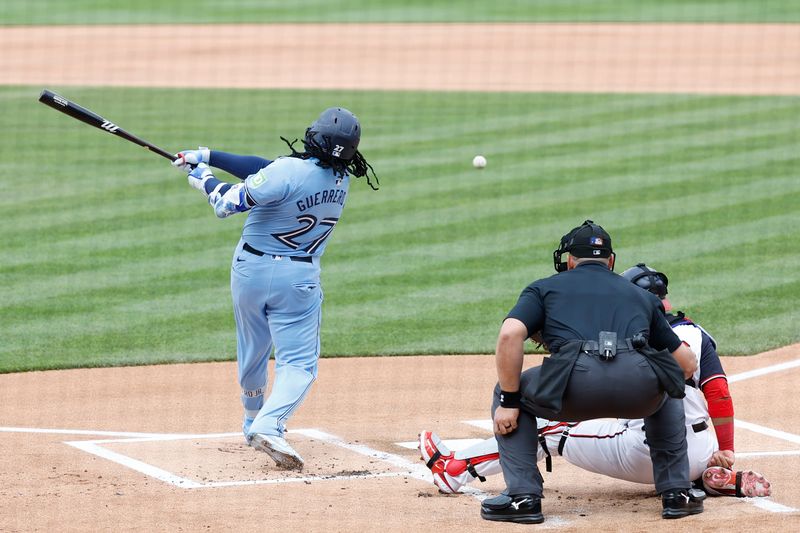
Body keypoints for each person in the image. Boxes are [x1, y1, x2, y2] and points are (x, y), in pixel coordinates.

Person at [418, 264, 770, 500]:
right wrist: (726, 449)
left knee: (549, 427)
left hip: (645, 454)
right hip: (701, 450)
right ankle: (703, 477)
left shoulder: (633, 331)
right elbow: (719, 393)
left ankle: (456, 469)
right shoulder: (696, 334)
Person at [173, 107, 377, 471]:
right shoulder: (339, 180)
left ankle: (254, 420)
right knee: (298, 364)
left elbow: (226, 203)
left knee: (252, 349)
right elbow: (265, 169)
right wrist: (207, 155)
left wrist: (203, 177)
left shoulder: (288, 171)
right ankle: (270, 424)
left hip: (249, 272)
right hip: (297, 282)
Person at [478, 220, 702, 524]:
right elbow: (687, 364)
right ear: (610, 261)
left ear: (570, 261)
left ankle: (523, 498)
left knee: (509, 392)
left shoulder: (543, 288)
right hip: (636, 389)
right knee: (668, 383)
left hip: (571, 387)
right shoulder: (642, 296)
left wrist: (509, 400)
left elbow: (509, 335)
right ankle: (678, 494)